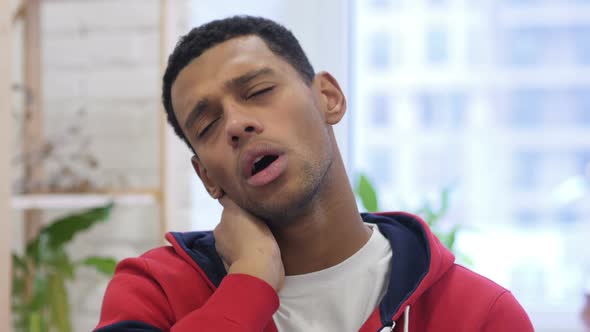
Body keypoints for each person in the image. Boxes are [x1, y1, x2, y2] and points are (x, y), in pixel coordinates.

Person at [95, 16, 533, 332]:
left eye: (259, 91)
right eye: (207, 125)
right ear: (207, 176)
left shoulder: (479, 314)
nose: (235, 124)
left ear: (329, 97)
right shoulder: (155, 291)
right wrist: (249, 280)